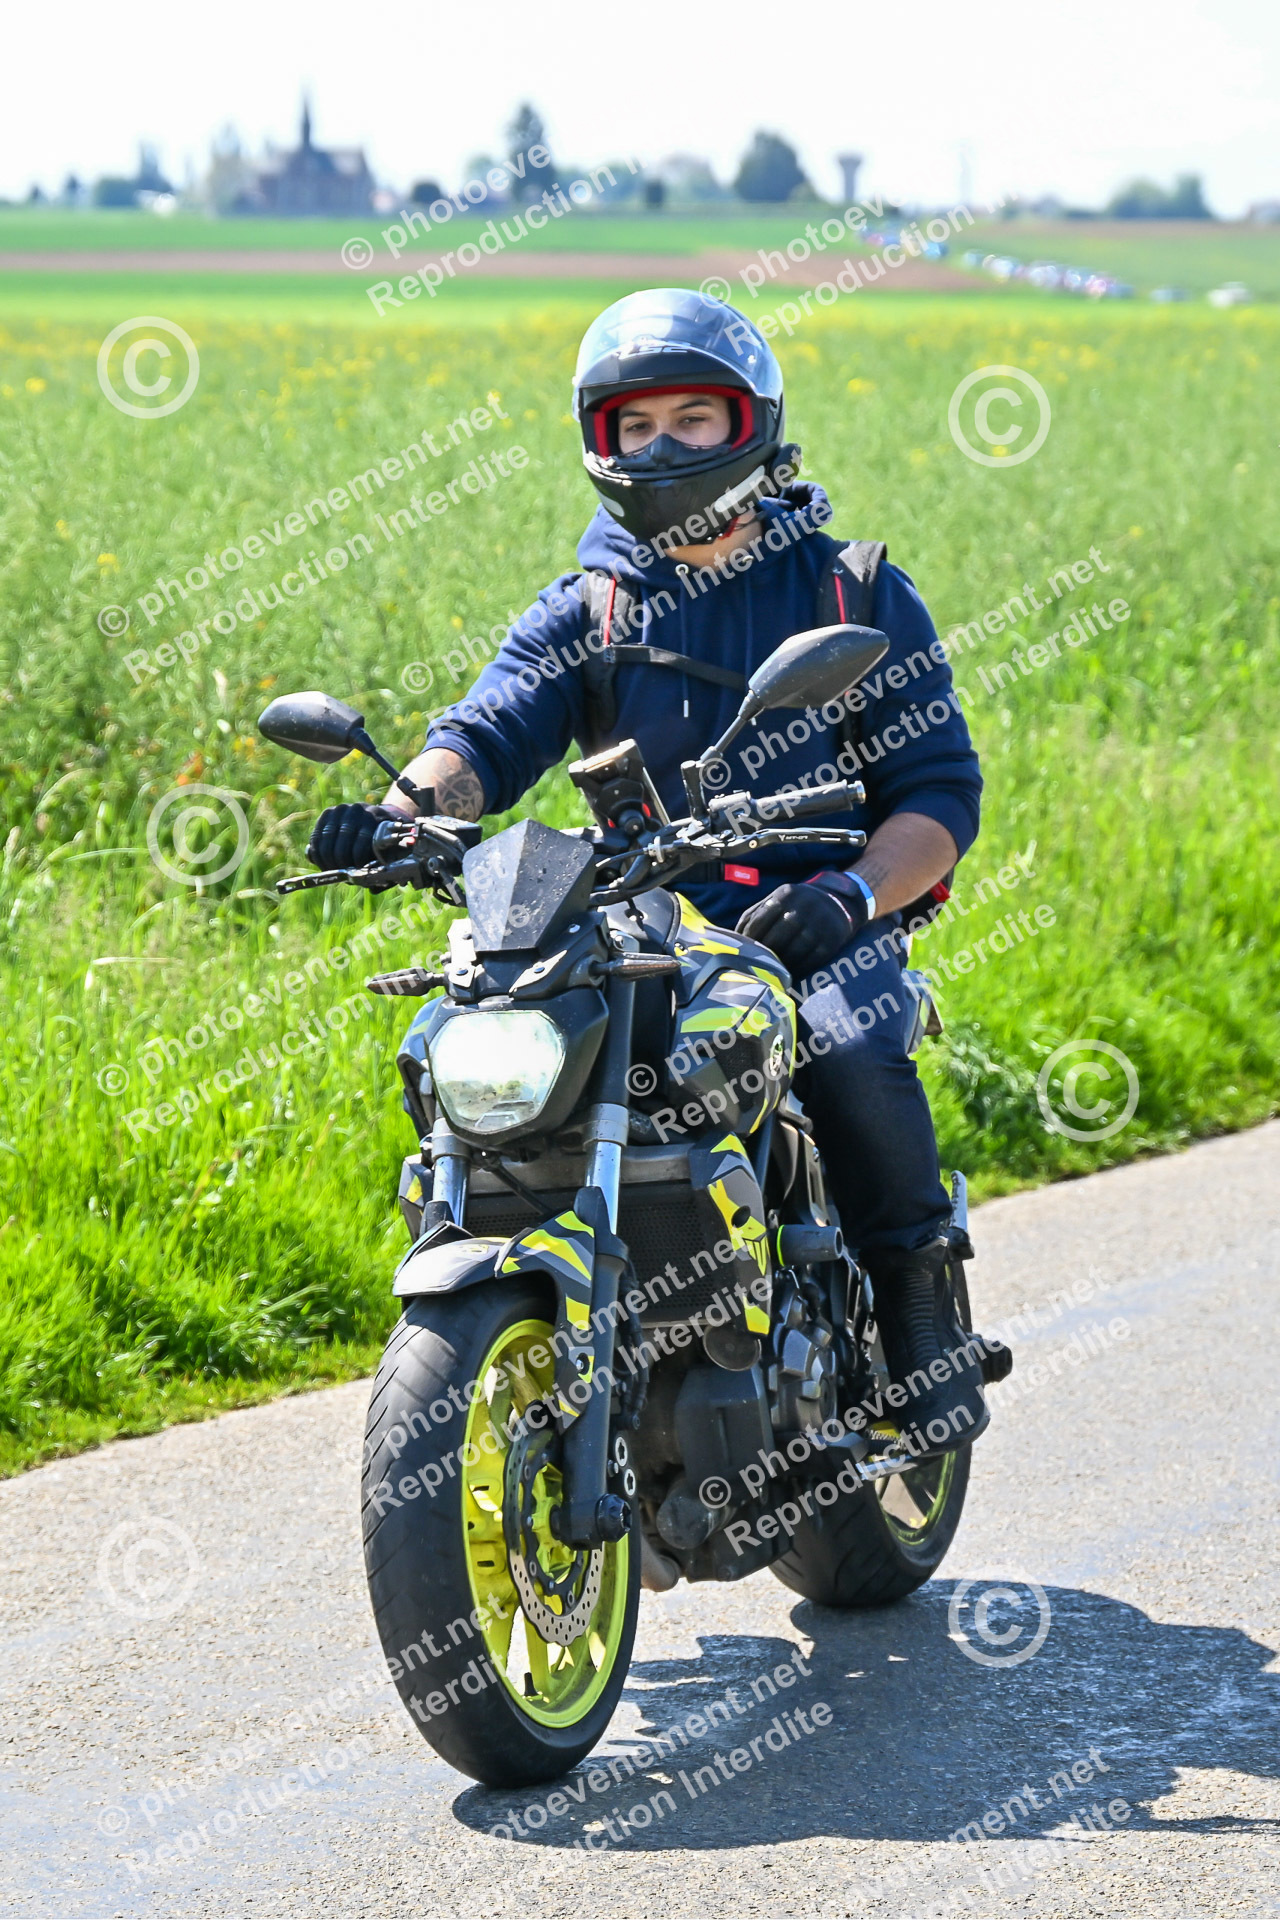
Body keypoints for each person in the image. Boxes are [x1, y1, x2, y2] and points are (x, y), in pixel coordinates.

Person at [309, 288, 988, 1453]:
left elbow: (936, 798)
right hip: (642, 923)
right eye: (636, 425)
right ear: (602, 441)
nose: (662, 447)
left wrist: (849, 896)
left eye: (692, 419)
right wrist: (399, 813)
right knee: (493, 1048)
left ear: (751, 425)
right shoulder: (593, 604)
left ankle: (917, 1312)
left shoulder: (852, 589)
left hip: (814, 915)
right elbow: (484, 735)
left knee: (849, 1045)